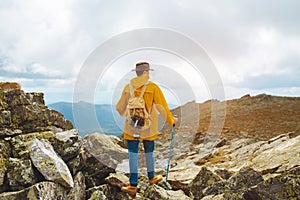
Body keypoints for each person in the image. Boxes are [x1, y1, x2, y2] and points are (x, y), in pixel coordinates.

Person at [116, 61, 178, 197]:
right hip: (149, 127)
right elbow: (163, 107)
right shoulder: (153, 88)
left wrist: (129, 111)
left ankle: (133, 185)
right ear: (146, 72)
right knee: (149, 151)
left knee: (133, 153)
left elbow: (119, 108)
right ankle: (151, 177)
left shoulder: (128, 87)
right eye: (148, 71)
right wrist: (171, 120)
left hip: (132, 127)